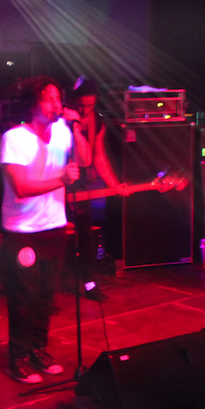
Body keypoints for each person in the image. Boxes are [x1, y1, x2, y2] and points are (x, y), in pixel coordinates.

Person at [0, 76, 91, 385]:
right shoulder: (15, 138)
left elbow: (86, 159)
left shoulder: (64, 131)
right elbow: (21, 188)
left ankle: (38, 349)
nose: (56, 104)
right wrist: (60, 180)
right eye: (48, 98)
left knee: (46, 295)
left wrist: (76, 128)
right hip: (22, 230)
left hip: (54, 225)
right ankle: (17, 358)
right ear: (32, 104)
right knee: (23, 295)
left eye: (58, 98)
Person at [66, 79, 130, 302]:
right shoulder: (61, 121)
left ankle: (89, 283)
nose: (84, 110)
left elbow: (98, 156)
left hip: (80, 185)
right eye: (81, 105)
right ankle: (47, 287)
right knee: (54, 237)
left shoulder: (98, 121)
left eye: (89, 106)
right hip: (56, 183)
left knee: (86, 235)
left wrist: (114, 185)